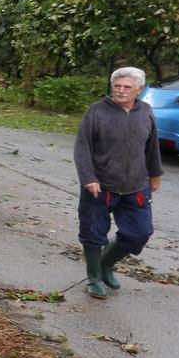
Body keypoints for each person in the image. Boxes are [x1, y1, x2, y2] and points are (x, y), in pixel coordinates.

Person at [74, 66, 164, 298]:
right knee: (93, 233)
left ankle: (106, 263)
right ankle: (94, 277)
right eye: (117, 86)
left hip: (136, 185)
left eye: (127, 87)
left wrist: (155, 175)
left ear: (139, 90)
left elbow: (152, 145)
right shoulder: (97, 111)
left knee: (139, 232)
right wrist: (88, 178)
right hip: (100, 186)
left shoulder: (145, 111)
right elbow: (82, 147)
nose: (121, 91)